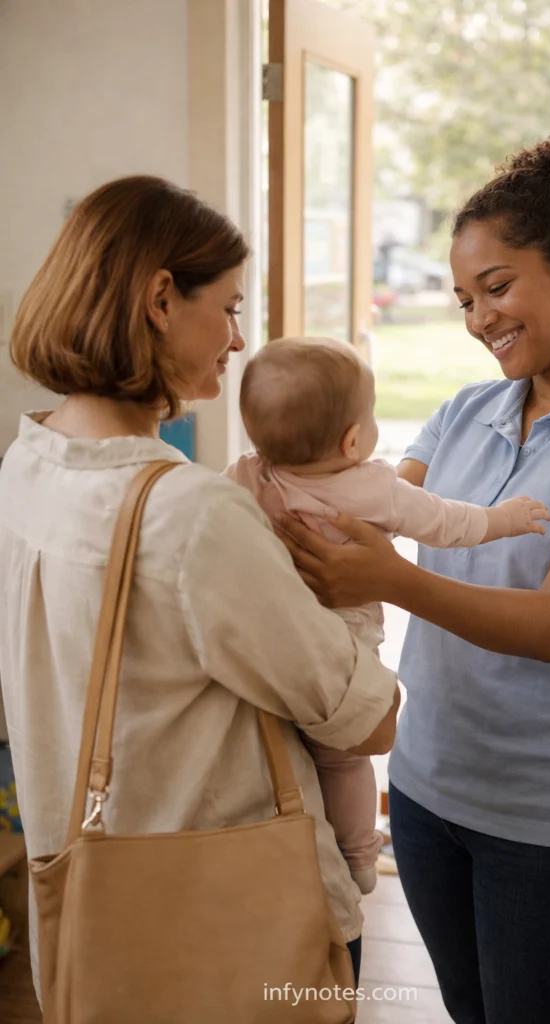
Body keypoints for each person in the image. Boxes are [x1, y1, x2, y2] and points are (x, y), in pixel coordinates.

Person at [275, 138, 550, 1024]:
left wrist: (387, 577)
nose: (476, 318)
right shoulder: (469, 407)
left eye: (496, 288)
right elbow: (374, 507)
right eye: (464, 298)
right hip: (428, 790)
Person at [0, 175, 399, 999]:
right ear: (158, 300)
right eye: (227, 306)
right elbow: (367, 719)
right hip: (229, 922)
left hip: (96, 903)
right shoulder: (188, 513)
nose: (238, 338)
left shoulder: (27, 461)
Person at [228, 334, 550, 895]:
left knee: (278, 750)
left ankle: (287, 842)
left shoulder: (248, 477)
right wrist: (504, 519)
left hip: (274, 641)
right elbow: (447, 522)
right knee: (346, 760)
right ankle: (357, 856)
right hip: (343, 651)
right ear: (353, 439)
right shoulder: (374, 488)